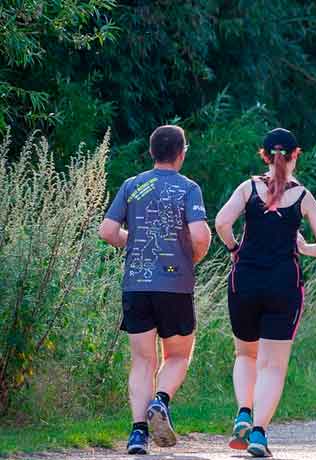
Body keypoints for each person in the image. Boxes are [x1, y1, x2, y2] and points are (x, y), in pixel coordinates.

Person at [214, 128, 316, 458]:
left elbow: (222, 222)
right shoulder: (303, 196)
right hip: (284, 285)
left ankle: (243, 411)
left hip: (245, 281)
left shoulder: (248, 188)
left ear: (264, 156)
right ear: (296, 155)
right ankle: (258, 434)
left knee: (245, 355)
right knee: (273, 366)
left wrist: (233, 248)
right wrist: (305, 248)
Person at [99, 125, 212, 455]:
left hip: (136, 284)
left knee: (142, 361)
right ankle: (160, 400)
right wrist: (191, 258)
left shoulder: (131, 185)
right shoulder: (188, 188)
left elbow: (107, 230)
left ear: (151, 152)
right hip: (175, 285)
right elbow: (201, 235)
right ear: (181, 153)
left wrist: (131, 242)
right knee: (177, 355)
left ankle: (137, 435)